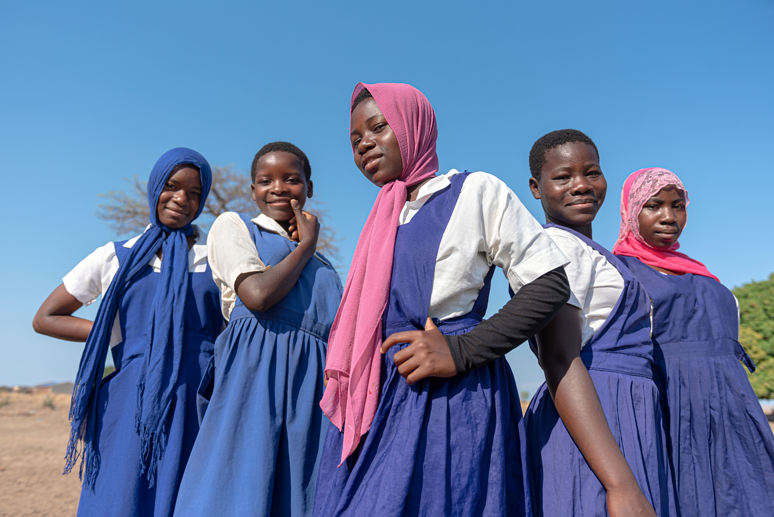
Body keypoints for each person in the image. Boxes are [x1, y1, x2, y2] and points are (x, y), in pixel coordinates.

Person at [314, 83, 571, 516]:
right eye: (355, 140)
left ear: (413, 127)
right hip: (378, 397)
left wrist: (461, 350)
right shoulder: (382, 219)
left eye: (379, 127)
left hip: (452, 394)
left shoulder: (474, 191)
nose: (364, 145)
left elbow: (548, 283)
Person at [32, 148, 223, 516]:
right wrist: (109, 332)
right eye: (172, 186)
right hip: (131, 399)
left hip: (200, 399)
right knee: (121, 501)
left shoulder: (213, 256)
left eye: (195, 193)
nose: (182, 198)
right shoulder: (116, 256)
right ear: (154, 188)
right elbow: (46, 317)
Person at [173, 142, 342, 517]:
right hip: (254, 375)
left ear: (309, 188)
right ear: (253, 191)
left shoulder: (326, 266)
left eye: (292, 179)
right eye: (265, 180)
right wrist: (307, 244)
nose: (278, 188)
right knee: (238, 483)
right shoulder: (235, 227)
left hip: (312, 390)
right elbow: (258, 295)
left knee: (300, 491)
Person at [520, 130, 675, 516]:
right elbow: (558, 358)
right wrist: (620, 485)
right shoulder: (552, 248)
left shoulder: (598, 254)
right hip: (593, 416)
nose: (581, 186)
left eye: (592, 172)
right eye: (563, 177)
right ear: (536, 188)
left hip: (628, 412)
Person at [614, 167, 774, 516]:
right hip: (670, 407)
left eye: (678, 205)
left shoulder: (700, 271)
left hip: (732, 410)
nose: (669, 216)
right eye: (653, 205)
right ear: (630, 211)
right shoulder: (619, 273)